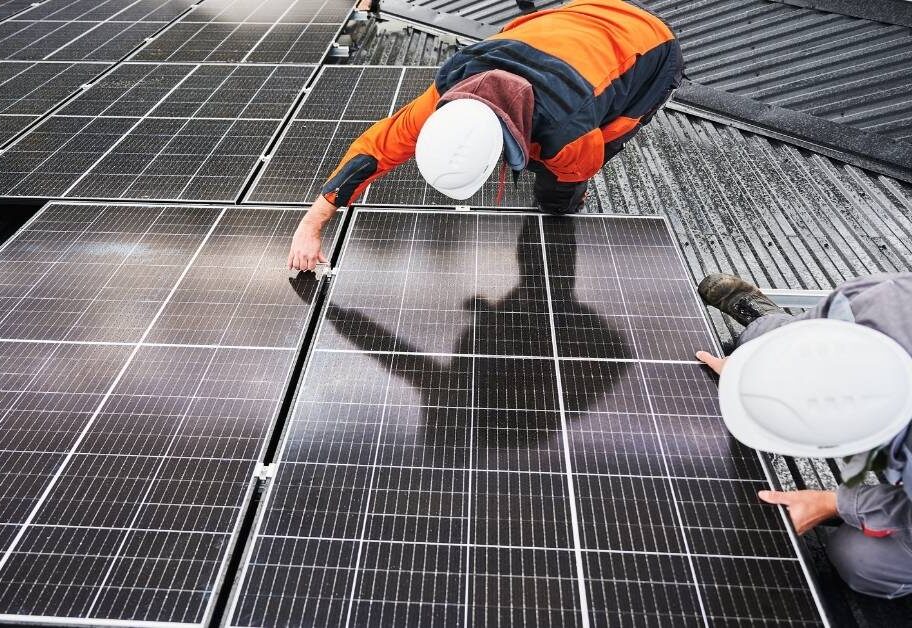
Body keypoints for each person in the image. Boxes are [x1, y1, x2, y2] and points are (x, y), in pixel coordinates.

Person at [287, 0, 684, 271]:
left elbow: (576, 170)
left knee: (575, 173)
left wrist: (561, 194)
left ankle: (561, 209)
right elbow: (373, 151)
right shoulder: (445, 95)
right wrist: (312, 222)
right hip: (576, 16)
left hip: (651, 47)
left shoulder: (569, 136)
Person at [695, 272, 912, 599]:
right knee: (759, 342)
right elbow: (808, 332)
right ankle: (766, 318)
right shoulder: (883, 302)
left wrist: (835, 504)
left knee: (861, 558)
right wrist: (747, 374)